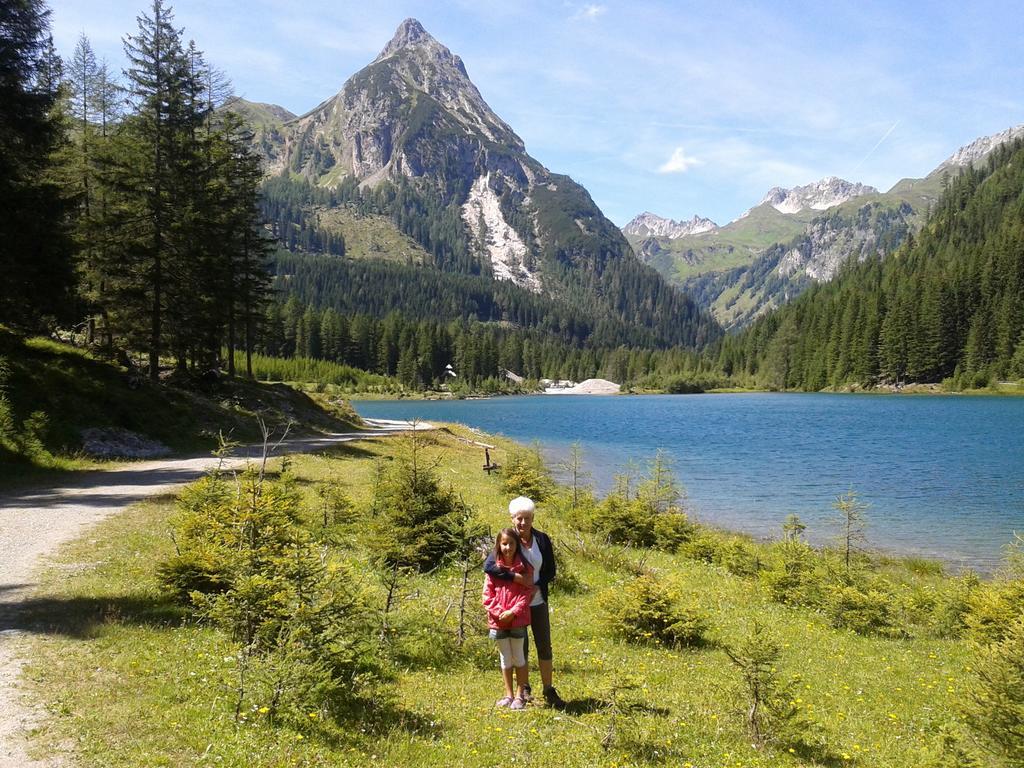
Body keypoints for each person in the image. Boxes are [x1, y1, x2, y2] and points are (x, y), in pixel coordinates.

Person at [484, 496, 565, 708]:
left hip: (537, 600)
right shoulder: (509, 539)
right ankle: (524, 689)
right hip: (513, 604)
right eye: (519, 519)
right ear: (512, 519)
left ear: (532, 518)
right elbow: (489, 566)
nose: (523, 523)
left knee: (544, 644)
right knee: (522, 647)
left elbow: (550, 570)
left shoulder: (542, 539)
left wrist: (537, 585)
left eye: (527, 518)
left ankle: (548, 689)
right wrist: (517, 579)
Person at [482, 527, 534, 710]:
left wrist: (513, 612)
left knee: (519, 657)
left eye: (511, 543)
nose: (508, 548)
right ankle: (508, 695)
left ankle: (521, 696)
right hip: (498, 622)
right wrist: (499, 613)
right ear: (498, 545)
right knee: (505, 658)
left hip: (517, 619)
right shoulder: (493, 569)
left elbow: (527, 593)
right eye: (504, 544)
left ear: (517, 545)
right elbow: (487, 596)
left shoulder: (525, 568)